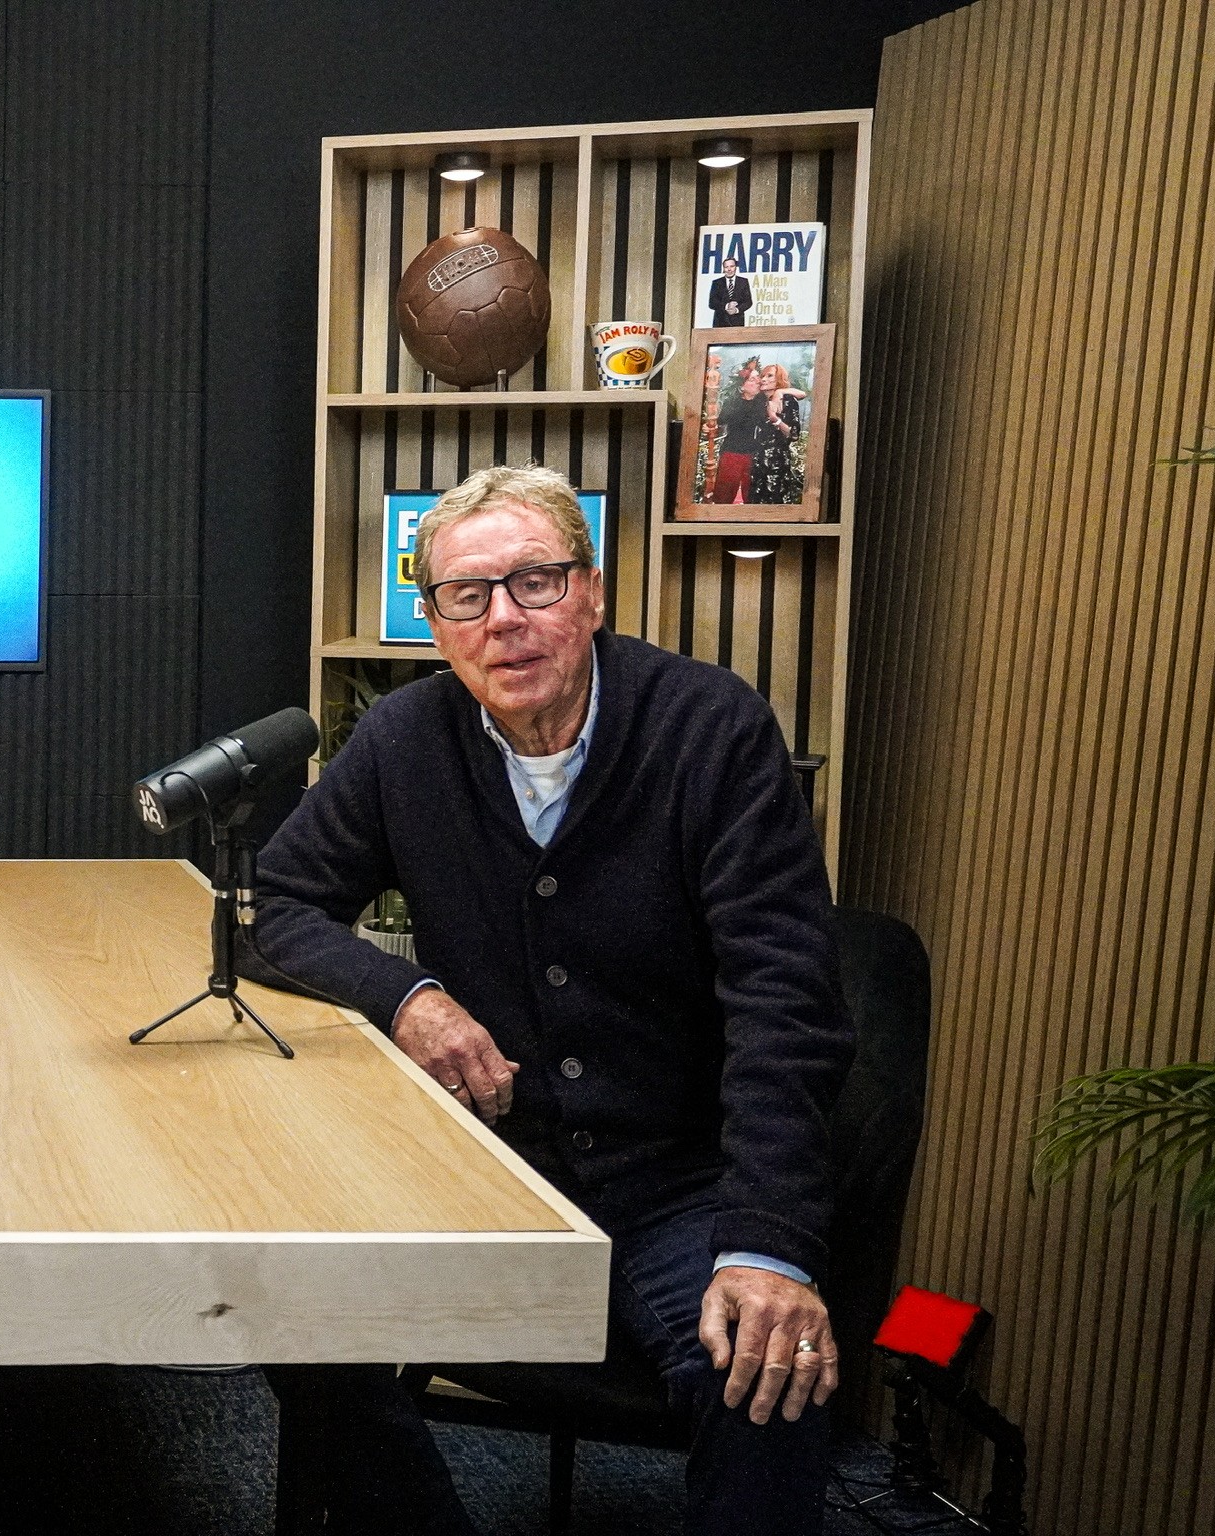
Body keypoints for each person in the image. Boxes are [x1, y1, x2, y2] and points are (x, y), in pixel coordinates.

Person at [250, 463, 851, 1536]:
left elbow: (786, 1004)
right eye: (468, 596)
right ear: (434, 622)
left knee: (766, 1380)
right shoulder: (403, 742)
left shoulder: (711, 731)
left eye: (537, 582)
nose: (506, 621)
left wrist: (768, 1244)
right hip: (488, 1166)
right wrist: (408, 997)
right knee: (287, 1301)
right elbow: (278, 905)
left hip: (681, 1179)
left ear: (595, 591)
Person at [704, 363, 771, 504]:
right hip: (732, 452)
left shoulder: (763, 401)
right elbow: (719, 422)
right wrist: (706, 426)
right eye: (752, 380)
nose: (757, 382)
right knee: (724, 494)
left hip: (754, 454)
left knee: (751, 494)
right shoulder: (733, 402)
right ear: (742, 386)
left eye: (757, 378)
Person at [748, 363, 810, 505]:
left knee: (774, 503)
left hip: (777, 460)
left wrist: (775, 419)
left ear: (779, 379)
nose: (764, 379)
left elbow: (793, 435)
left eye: (769, 376)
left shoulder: (788, 400)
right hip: (758, 459)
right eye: (763, 376)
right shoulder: (760, 401)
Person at [706, 248, 754, 327]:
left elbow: (748, 302)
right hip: (720, 323)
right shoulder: (716, 283)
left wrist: (736, 310)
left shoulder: (743, 282)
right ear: (723, 269)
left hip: (737, 323)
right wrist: (726, 306)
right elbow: (712, 303)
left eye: (732, 266)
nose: (729, 269)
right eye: (726, 267)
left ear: (735, 267)